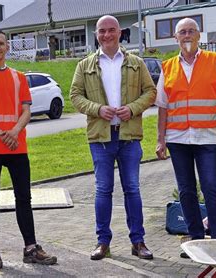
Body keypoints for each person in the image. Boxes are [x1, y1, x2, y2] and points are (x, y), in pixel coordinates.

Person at [0, 28, 57, 269]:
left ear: (8, 47)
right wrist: (2, 134)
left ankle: (30, 247)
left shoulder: (18, 77)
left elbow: (26, 110)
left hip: (17, 146)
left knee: (24, 198)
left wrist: (14, 132)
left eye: (1, 43)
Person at [70, 15, 156, 260]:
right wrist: (98, 109)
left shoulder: (136, 63)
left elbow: (151, 91)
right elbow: (75, 96)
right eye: (101, 31)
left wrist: (132, 109)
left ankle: (138, 242)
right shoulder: (84, 65)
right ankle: (102, 242)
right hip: (101, 138)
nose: (106, 35)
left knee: (132, 189)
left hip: (129, 137)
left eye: (111, 30)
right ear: (96, 34)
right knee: (103, 190)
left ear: (120, 33)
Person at [155, 18, 216, 258]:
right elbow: (162, 107)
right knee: (186, 191)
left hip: (207, 138)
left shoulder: (215, 61)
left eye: (191, 31)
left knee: (211, 187)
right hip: (178, 139)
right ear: (176, 38)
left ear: (199, 35)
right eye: (182, 32)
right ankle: (197, 241)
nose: (187, 35)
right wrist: (161, 139)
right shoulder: (167, 66)